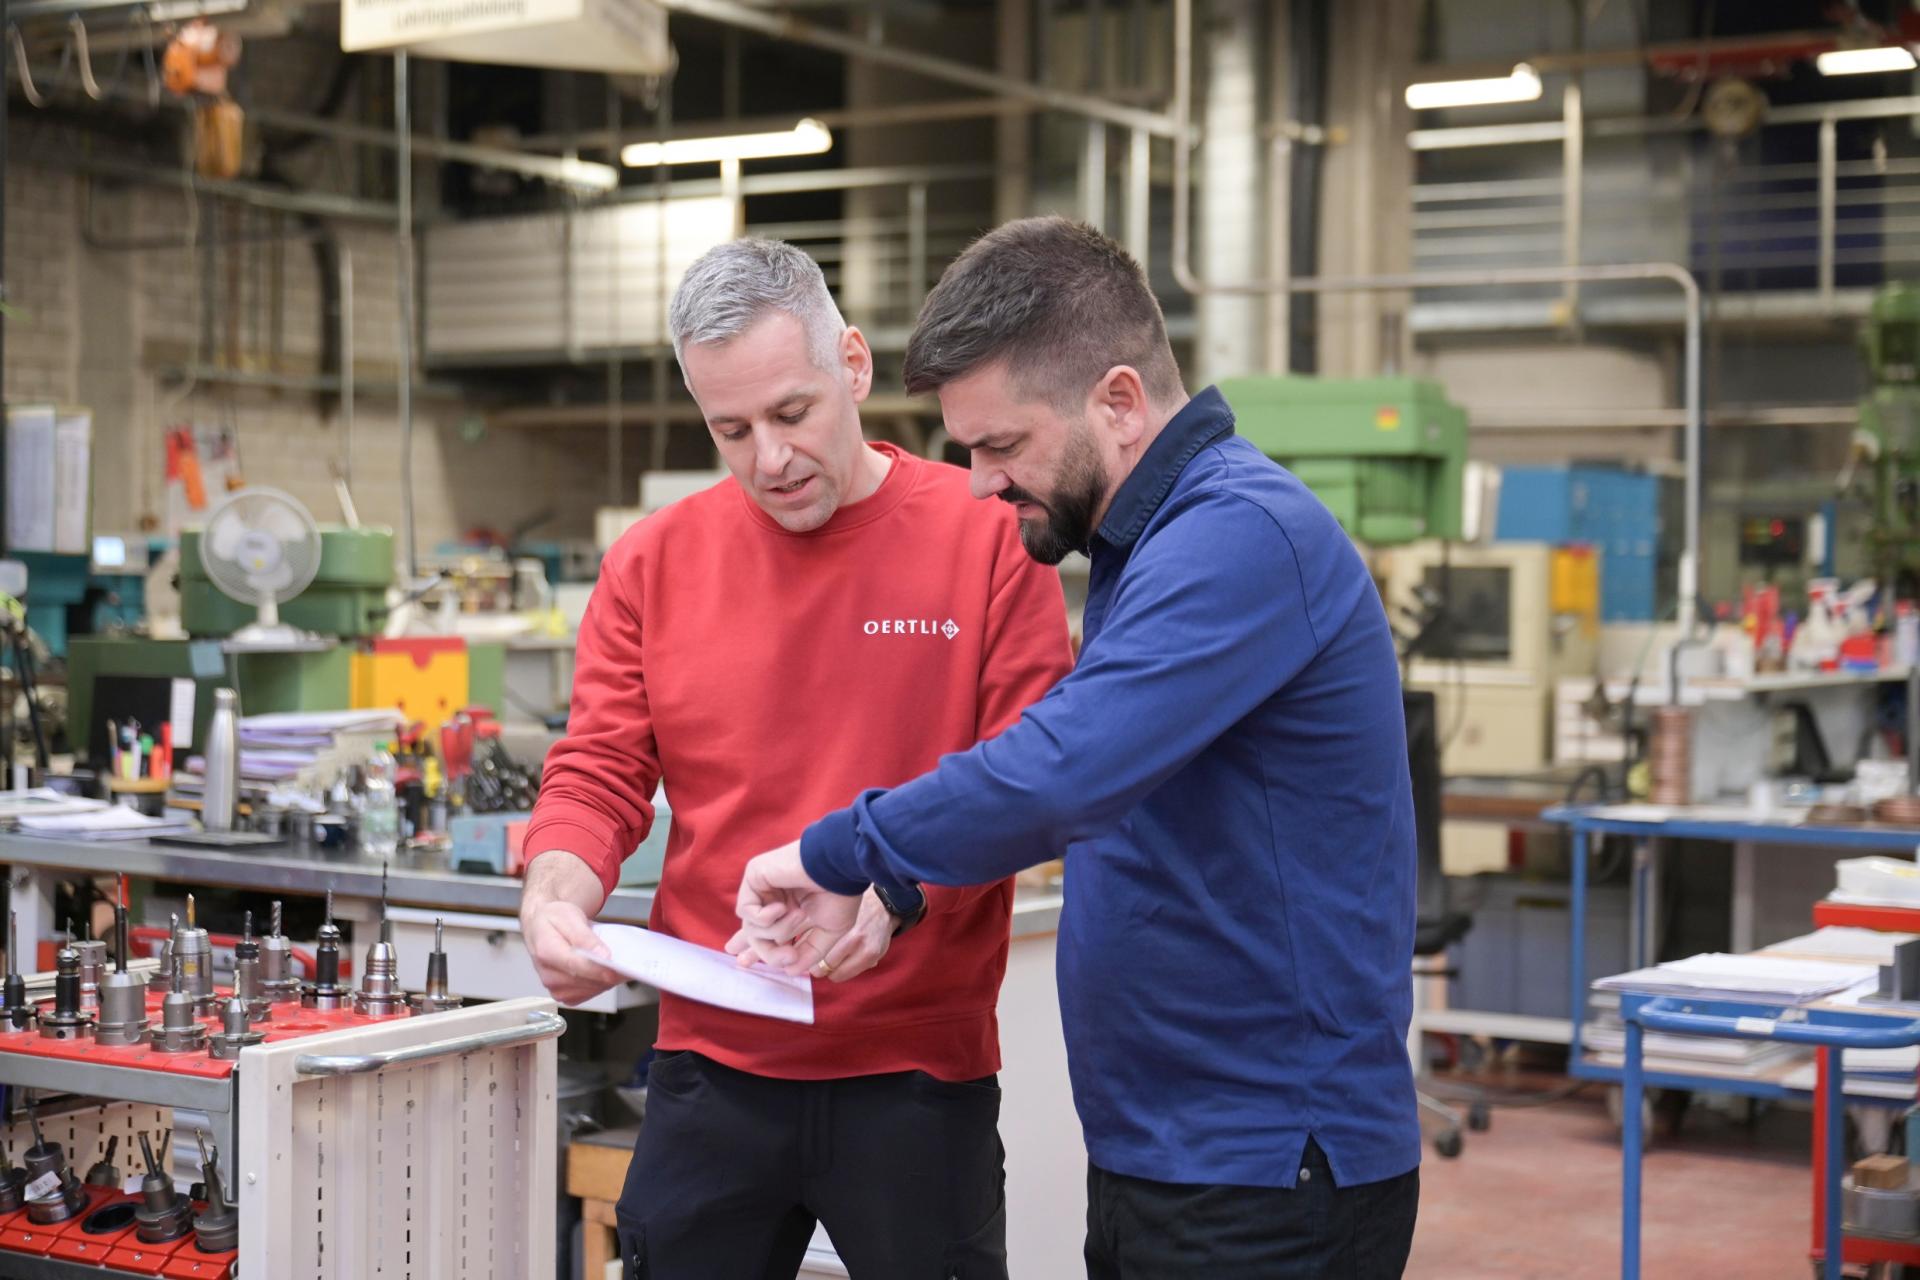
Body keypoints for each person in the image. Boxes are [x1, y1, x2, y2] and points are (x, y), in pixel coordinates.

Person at [731, 217, 1423, 1279]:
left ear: (1118, 401)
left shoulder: (1237, 536)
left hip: (1269, 1168)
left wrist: (838, 849)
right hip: (1179, 1151)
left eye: (1001, 445)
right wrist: (900, 880)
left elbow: (1061, 768)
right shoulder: (1146, 543)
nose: (976, 482)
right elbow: (1104, 781)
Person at [517, 238, 1073, 1279]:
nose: (769, 457)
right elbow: (598, 766)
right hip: (710, 1065)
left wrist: (899, 886)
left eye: (791, 413)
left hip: (916, 1073)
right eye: (730, 428)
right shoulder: (653, 560)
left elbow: (1033, 775)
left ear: (852, 365)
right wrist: (558, 891)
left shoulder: (988, 535)